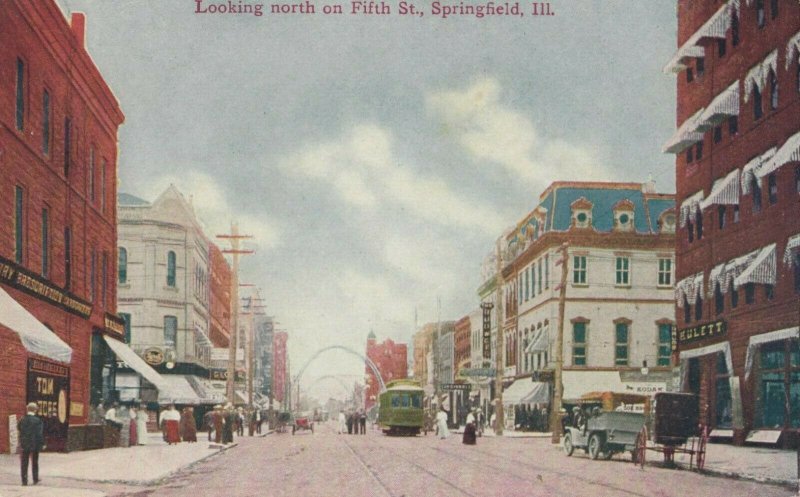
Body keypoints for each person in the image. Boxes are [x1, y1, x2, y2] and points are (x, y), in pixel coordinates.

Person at [18, 402, 44, 486]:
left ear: (27, 409)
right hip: (34, 443)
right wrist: (42, 444)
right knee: (35, 461)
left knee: (24, 462)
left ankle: (24, 480)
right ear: (35, 410)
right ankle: (35, 479)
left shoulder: (22, 419)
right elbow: (39, 434)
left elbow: (19, 428)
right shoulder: (38, 421)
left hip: (24, 443)